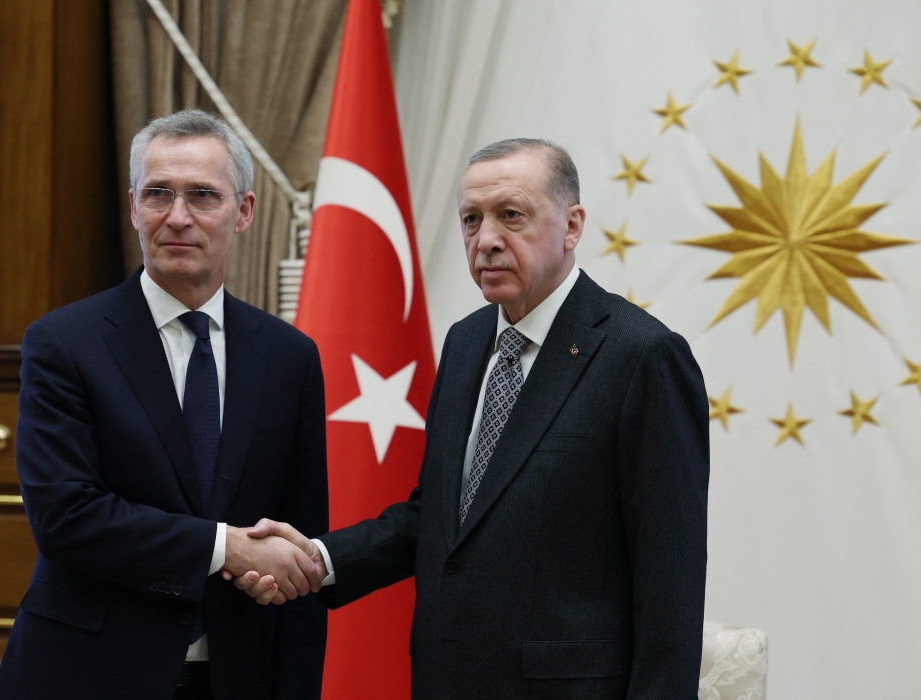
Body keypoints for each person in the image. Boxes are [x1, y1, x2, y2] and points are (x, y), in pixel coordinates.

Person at [235, 139, 710, 698]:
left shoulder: (642, 357)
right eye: (470, 220)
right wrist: (320, 558)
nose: (486, 240)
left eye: (511, 215)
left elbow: (669, 592)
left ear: (572, 225)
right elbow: (439, 518)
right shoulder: (465, 343)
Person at [0, 109, 328, 700]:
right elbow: (66, 518)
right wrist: (227, 545)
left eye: (203, 195)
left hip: (234, 677)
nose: (178, 217)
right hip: (85, 675)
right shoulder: (64, 343)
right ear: (133, 206)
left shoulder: (290, 357)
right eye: (159, 194)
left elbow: (297, 549)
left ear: (244, 211)